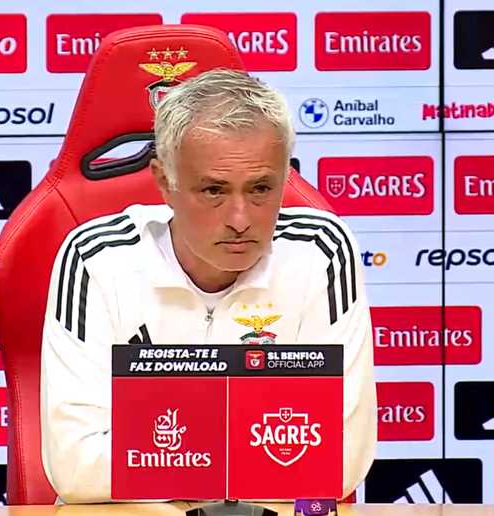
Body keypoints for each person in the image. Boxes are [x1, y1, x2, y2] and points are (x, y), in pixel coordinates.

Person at [40, 69, 376, 503]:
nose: (240, 220)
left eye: (260, 189)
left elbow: (339, 462)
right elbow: (76, 469)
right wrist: (259, 447)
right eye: (214, 191)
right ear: (165, 182)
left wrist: (161, 452)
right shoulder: (97, 258)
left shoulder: (320, 251)